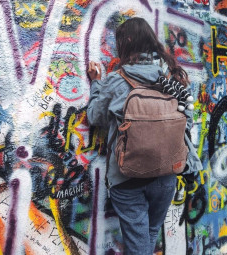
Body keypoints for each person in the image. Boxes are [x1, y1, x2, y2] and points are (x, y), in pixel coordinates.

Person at [87, 17, 202, 255]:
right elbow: (186, 122)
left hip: (127, 177)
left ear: (127, 42)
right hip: (166, 174)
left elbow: (95, 117)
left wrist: (96, 84)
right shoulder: (171, 80)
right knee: (148, 234)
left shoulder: (116, 81)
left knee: (139, 244)